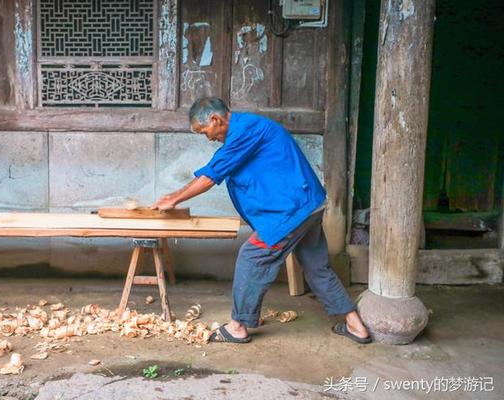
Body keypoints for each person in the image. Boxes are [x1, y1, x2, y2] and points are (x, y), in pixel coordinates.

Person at [152, 97, 371, 344]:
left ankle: (237, 326)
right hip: (307, 205)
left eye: (205, 132)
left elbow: (212, 174)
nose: (208, 138)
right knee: (316, 266)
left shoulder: (245, 131)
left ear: (215, 119)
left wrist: (175, 198)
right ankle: (356, 326)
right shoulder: (245, 129)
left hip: (291, 212)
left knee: (251, 257)